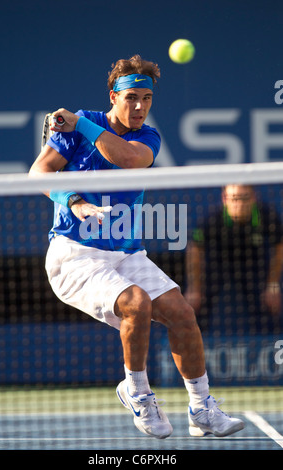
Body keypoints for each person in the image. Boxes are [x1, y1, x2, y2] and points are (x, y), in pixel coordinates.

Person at [29, 55, 244, 439]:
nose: (140, 106)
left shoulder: (146, 137)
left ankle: (202, 409)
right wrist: (74, 200)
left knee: (181, 312)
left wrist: (82, 123)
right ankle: (138, 393)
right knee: (137, 303)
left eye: (147, 98)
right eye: (131, 98)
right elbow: (38, 173)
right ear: (113, 96)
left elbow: (127, 160)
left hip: (126, 253)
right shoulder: (75, 129)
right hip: (74, 255)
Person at [185, 184, 283, 336]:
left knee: (269, 305)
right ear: (225, 199)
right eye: (235, 199)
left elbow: (279, 247)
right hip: (219, 262)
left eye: (245, 198)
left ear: (254, 198)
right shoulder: (213, 219)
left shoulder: (267, 216)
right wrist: (195, 289)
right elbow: (195, 249)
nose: (239, 204)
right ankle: (194, 342)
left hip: (254, 263)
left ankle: (272, 344)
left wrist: (272, 285)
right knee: (197, 303)